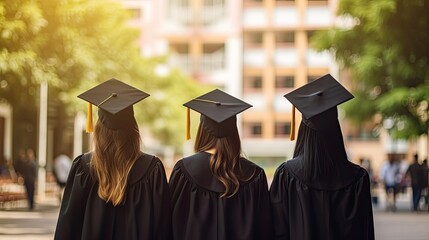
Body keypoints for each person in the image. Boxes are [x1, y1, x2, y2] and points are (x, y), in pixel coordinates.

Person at [54, 79, 171, 240]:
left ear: (98, 128)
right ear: (133, 128)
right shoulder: (152, 169)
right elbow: (162, 227)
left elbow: (68, 228)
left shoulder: (83, 167)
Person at [270, 74, 375, 240]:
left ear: (303, 130)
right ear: (336, 128)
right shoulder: (358, 178)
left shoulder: (287, 175)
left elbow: (276, 230)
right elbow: (365, 232)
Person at [169, 89, 273, 240]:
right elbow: (265, 230)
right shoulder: (254, 175)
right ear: (234, 132)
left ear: (201, 130)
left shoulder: (183, 170)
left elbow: (170, 223)